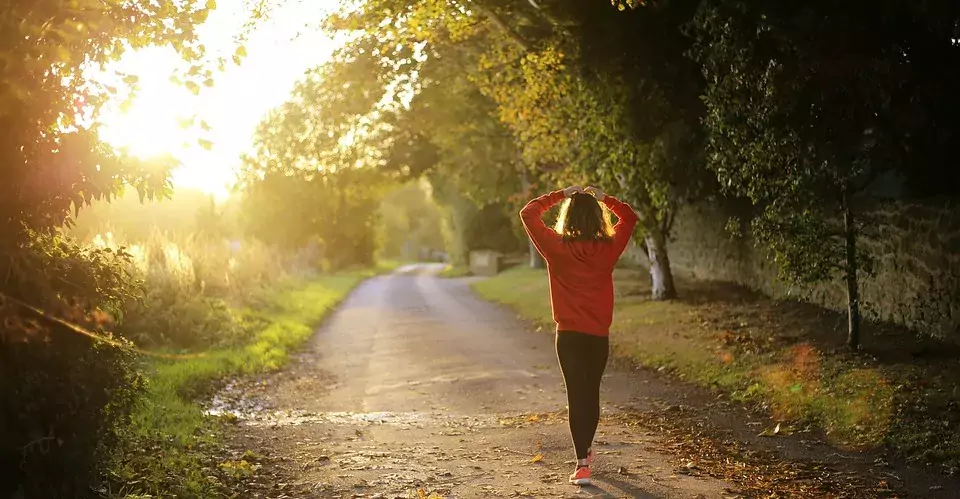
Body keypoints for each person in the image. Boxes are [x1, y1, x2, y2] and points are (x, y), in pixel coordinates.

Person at [519, 185, 639, 486]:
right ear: (598, 218)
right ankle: (585, 452)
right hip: (598, 336)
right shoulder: (608, 248)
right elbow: (630, 217)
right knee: (591, 393)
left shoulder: (556, 247)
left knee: (576, 395)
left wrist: (561, 194)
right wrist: (604, 198)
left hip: (569, 336)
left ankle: (582, 463)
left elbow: (528, 212)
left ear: (568, 217)